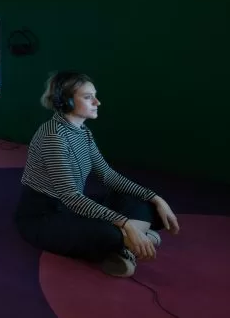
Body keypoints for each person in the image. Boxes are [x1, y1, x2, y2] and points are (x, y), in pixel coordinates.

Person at [14, 71, 180, 277]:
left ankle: (127, 245)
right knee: (109, 233)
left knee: (145, 205)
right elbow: (70, 197)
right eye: (88, 97)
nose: (97, 102)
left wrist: (156, 198)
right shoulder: (53, 137)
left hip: (72, 208)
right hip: (44, 217)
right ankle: (131, 239)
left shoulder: (83, 132)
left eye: (95, 96)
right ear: (66, 101)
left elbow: (107, 175)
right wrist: (126, 223)